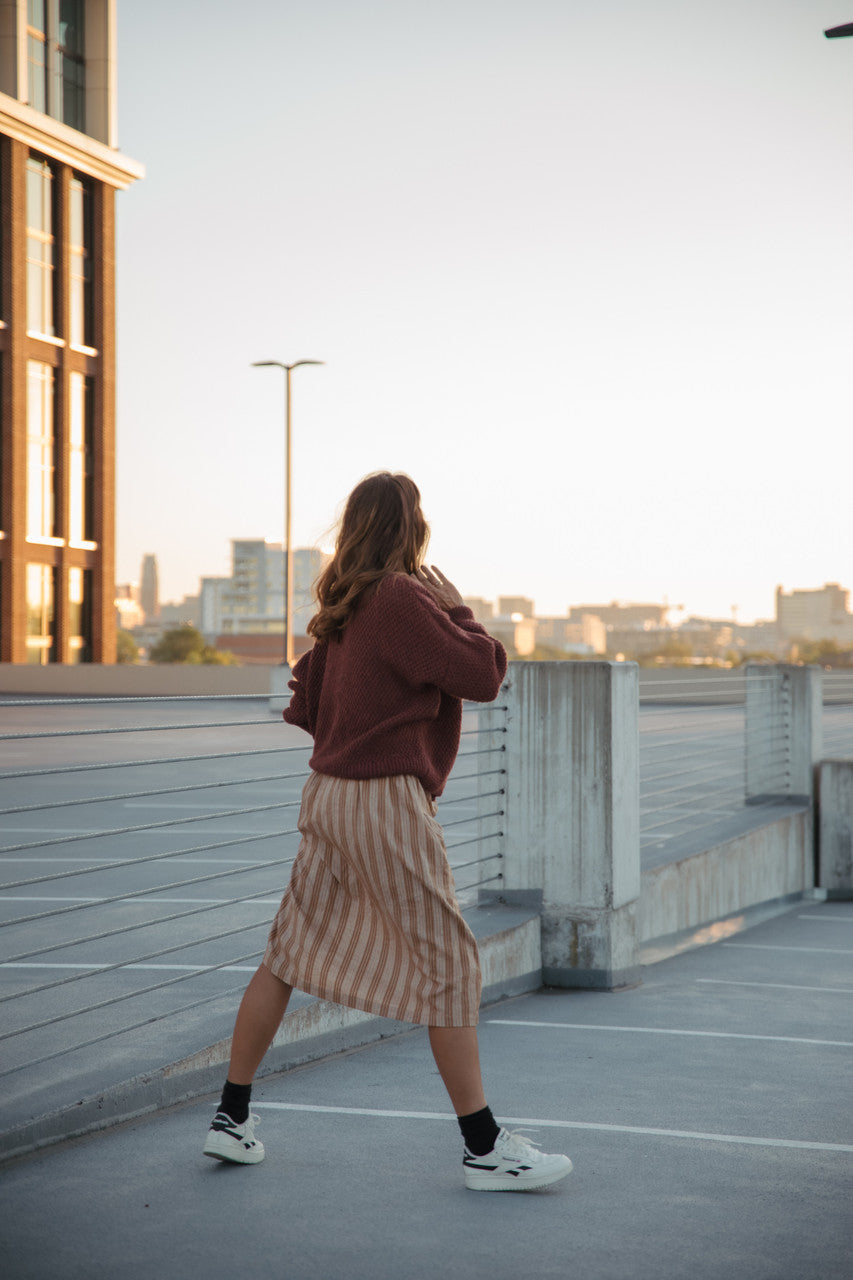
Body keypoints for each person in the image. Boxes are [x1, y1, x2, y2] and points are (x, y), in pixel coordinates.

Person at [203, 471, 572, 1192]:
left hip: (328, 795)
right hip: (380, 800)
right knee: (449, 963)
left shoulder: (340, 608)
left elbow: (305, 703)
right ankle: (483, 1148)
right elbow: (481, 673)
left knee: (286, 954)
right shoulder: (402, 598)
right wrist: (458, 609)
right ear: (411, 527)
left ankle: (231, 1117)